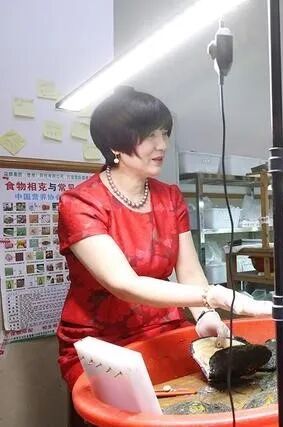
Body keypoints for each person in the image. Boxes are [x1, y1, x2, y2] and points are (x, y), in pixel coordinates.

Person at [56, 88, 271, 391]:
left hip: (164, 328)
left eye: (164, 133)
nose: (162, 144)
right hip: (100, 342)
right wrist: (213, 296)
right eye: (149, 135)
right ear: (115, 144)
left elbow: (189, 271)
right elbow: (124, 284)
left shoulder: (169, 197)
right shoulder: (81, 203)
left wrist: (205, 315)